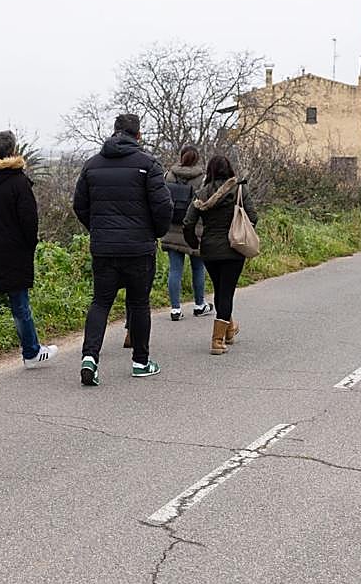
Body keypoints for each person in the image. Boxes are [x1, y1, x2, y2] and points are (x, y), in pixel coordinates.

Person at [73, 114, 173, 386]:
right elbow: (163, 206)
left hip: (104, 248)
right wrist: (155, 232)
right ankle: (140, 362)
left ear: (114, 132)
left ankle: (89, 358)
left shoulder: (92, 165)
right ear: (138, 135)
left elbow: (79, 205)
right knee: (139, 303)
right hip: (139, 248)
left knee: (100, 302)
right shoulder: (148, 164)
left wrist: (97, 229)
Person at [0, 130, 57, 384]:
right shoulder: (18, 181)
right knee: (20, 306)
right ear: (13, 151)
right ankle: (31, 353)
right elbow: (29, 222)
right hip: (14, 254)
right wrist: (28, 245)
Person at [183, 154, 257, 355]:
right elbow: (253, 217)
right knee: (227, 292)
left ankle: (229, 330)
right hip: (234, 248)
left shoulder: (202, 193)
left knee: (219, 290)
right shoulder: (239, 189)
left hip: (209, 249)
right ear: (229, 169)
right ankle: (217, 340)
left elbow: (188, 222)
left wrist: (194, 242)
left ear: (210, 171)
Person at [159, 144, 212, 321]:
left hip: (172, 228)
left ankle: (175, 309)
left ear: (181, 157)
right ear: (197, 159)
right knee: (198, 268)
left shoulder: (169, 175)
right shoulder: (203, 178)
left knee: (175, 270)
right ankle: (199, 305)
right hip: (194, 230)